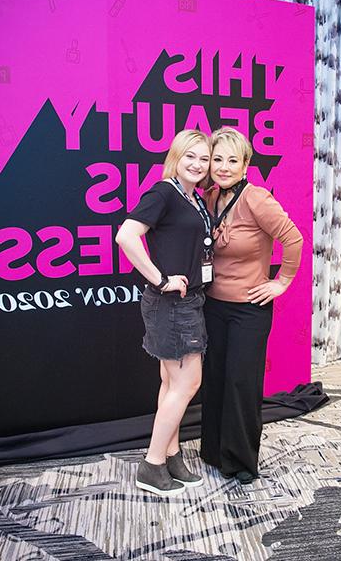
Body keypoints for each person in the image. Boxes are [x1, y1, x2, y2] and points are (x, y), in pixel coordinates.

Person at [200, 127, 303, 484]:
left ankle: (241, 461)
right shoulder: (210, 198)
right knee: (214, 379)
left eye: (232, 160)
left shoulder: (256, 198)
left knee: (241, 383)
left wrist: (282, 282)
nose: (224, 167)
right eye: (217, 159)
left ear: (245, 165)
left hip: (248, 308)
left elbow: (293, 238)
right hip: (212, 305)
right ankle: (213, 450)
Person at [116, 129, 213, 496]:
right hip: (172, 303)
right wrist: (160, 279)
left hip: (188, 302)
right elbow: (126, 236)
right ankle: (152, 464)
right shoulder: (164, 192)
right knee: (188, 383)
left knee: (172, 383)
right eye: (191, 156)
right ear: (176, 156)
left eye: (204, 159)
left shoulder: (193, 198)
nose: (198, 164)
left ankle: (171, 456)